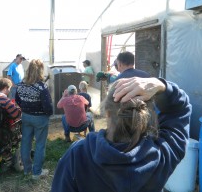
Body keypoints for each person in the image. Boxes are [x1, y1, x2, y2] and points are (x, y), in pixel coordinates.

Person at [51, 77, 191, 192]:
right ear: (144, 115)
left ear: (107, 113)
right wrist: (160, 85)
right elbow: (181, 110)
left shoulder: (77, 155)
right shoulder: (161, 155)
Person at [15, 59, 53, 180]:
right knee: (40, 144)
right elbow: (48, 107)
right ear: (40, 70)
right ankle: (37, 173)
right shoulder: (42, 87)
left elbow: (17, 100)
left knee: (25, 142)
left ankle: (27, 170)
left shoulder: (21, 84)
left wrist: (26, 108)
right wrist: (48, 114)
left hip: (26, 117)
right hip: (40, 118)